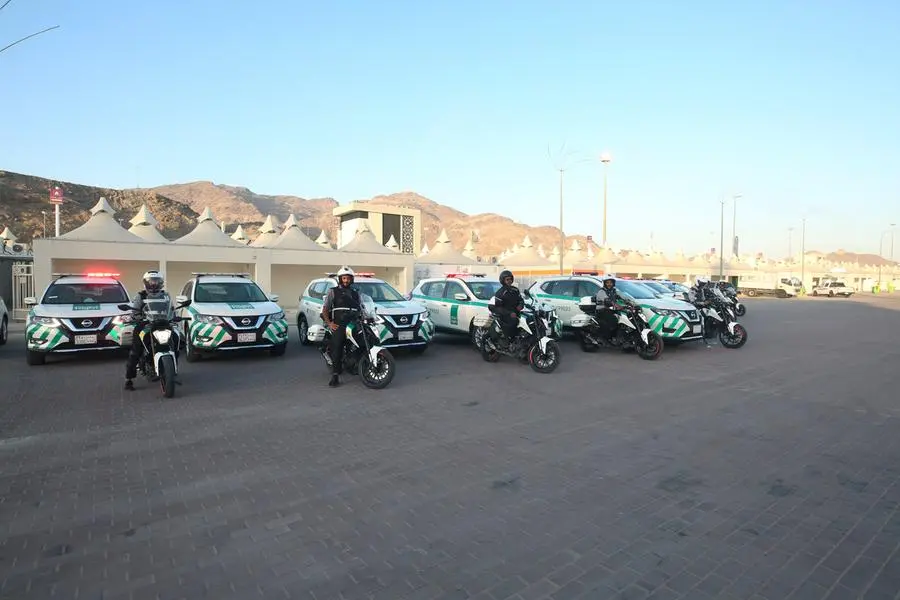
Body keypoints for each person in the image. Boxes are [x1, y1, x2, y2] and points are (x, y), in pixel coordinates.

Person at [125, 270, 174, 390]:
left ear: (161, 282)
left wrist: (174, 316)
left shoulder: (165, 295)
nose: (153, 284)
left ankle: (171, 367)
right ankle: (129, 379)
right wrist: (136, 316)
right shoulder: (141, 296)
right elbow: (135, 310)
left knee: (176, 340)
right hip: (146, 324)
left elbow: (171, 308)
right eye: (151, 282)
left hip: (163, 323)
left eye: (156, 281)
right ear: (146, 283)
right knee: (136, 350)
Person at [321, 266, 362, 387]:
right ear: (340, 279)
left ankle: (353, 366)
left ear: (351, 279)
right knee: (337, 346)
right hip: (339, 325)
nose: (346, 281)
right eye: (344, 278)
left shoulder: (355, 293)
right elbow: (325, 309)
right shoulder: (333, 292)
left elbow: (361, 308)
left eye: (348, 278)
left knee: (359, 344)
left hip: (353, 324)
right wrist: (329, 323)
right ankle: (335, 375)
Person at [487, 270, 525, 343]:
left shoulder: (515, 290)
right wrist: (509, 313)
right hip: (505, 316)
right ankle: (509, 340)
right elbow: (497, 307)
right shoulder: (500, 292)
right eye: (507, 279)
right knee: (514, 322)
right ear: (503, 281)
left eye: (510, 279)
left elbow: (521, 300)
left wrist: (521, 305)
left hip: (516, 314)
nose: (509, 281)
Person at [594, 275, 622, 340]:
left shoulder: (613, 291)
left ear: (613, 283)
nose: (609, 284)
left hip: (611, 310)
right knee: (614, 320)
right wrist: (617, 306)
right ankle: (608, 338)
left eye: (611, 282)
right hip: (602, 310)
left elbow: (622, 297)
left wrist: (630, 303)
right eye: (607, 282)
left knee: (622, 319)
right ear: (604, 283)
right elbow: (608, 301)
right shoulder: (602, 291)